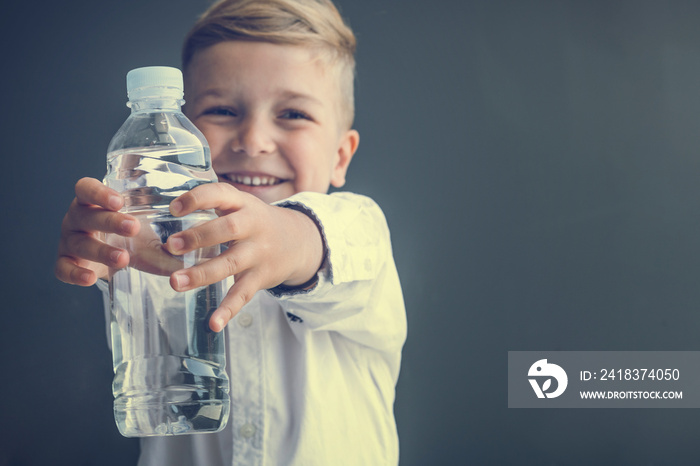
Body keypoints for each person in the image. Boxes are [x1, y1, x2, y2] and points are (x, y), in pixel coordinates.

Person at [55, 0, 407, 464]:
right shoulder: (163, 245)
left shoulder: (360, 229)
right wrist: (109, 252)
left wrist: (282, 232)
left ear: (341, 156)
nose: (253, 139)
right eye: (222, 110)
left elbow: (304, 240)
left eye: (293, 115)